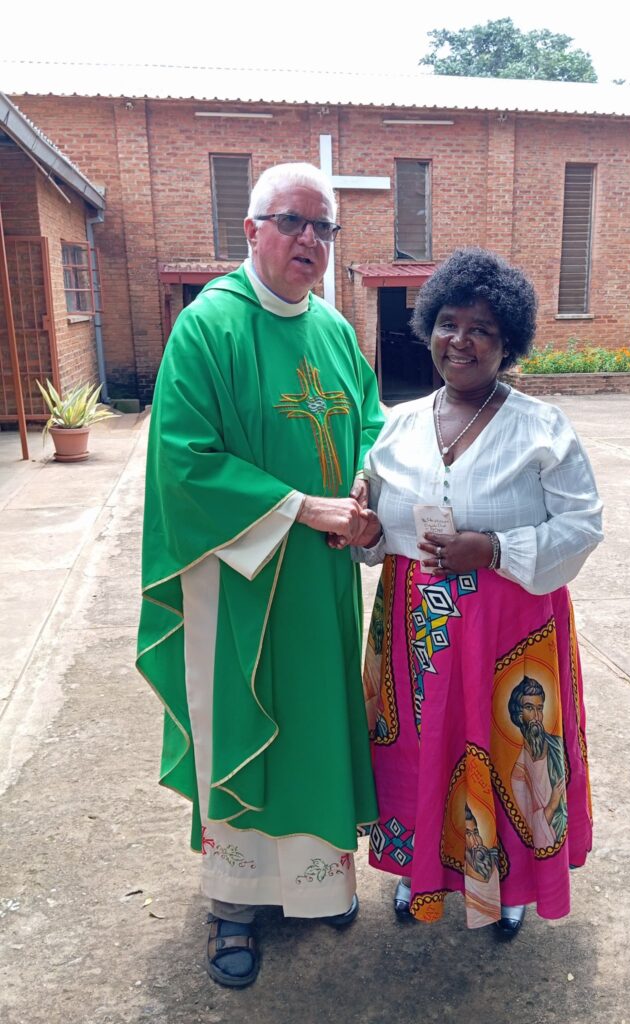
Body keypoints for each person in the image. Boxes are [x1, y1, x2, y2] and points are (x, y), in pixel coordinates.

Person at [136, 162, 383, 988]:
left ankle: (316, 887)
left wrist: (362, 487)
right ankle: (235, 907)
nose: (308, 241)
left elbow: (373, 426)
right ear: (251, 231)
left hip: (320, 582)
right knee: (248, 726)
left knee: (316, 725)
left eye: (323, 228)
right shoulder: (208, 328)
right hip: (240, 580)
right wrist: (303, 509)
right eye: (291, 222)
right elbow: (182, 462)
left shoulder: (336, 332)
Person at [352, 247, 603, 936]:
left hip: (510, 625)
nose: (460, 341)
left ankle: (512, 883)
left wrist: (492, 549)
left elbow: (583, 524)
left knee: (507, 751)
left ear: (507, 344)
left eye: (482, 329)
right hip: (414, 628)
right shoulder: (396, 426)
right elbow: (378, 534)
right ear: (428, 327)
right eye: (449, 323)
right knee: (418, 748)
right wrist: (363, 525)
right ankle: (419, 872)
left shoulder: (541, 428)